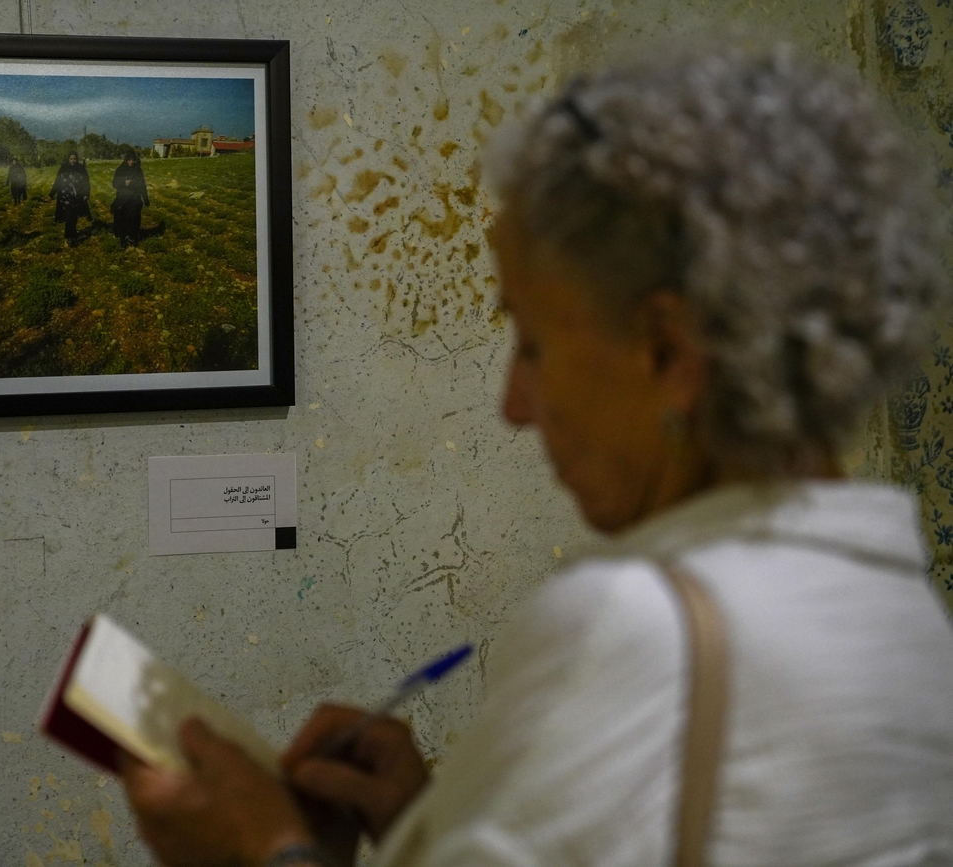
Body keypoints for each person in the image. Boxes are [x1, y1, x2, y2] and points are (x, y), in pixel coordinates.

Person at [118, 43, 953, 867]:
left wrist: (264, 849)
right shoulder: (904, 613)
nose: (514, 407)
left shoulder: (635, 626)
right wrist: (432, 821)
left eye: (535, 344)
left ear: (666, 353)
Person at [50, 151, 92, 246]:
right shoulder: (63, 169)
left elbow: (86, 182)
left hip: (77, 197)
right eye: (71, 159)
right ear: (68, 159)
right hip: (65, 197)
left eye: (74, 159)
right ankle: (69, 237)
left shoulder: (81, 169)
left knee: (74, 217)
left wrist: (86, 193)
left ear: (77, 159)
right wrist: (51, 194)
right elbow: (58, 182)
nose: (73, 161)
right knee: (69, 216)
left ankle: (73, 234)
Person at [110, 147, 150, 247]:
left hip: (134, 199)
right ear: (126, 160)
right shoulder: (121, 169)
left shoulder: (138, 170)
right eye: (129, 160)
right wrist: (124, 183)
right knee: (121, 219)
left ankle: (132, 237)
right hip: (122, 199)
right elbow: (114, 183)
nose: (131, 162)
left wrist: (145, 199)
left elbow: (142, 185)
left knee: (134, 218)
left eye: (133, 160)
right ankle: (122, 238)